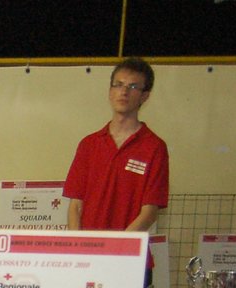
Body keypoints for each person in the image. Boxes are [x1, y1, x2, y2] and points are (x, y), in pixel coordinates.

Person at [64, 58, 169, 236]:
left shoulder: (155, 147)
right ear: (110, 91)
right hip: (89, 256)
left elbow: (149, 212)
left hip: (130, 258)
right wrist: (78, 247)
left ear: (145, 96)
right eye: (118, 85)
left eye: (133, 86)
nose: (124, 92)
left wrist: (117, 249)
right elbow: (75, 206)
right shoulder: (89, 144)